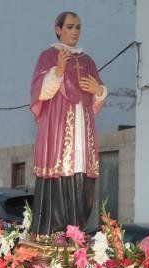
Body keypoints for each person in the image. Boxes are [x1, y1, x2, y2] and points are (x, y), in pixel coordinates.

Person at [29, 11, 108, 238]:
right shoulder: (48, 56)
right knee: (60, 173)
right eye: (71, 27)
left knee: (81, 175)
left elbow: (98, 92)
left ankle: (77, 229)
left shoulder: (88, 61)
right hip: (58, 127)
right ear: (58, 29)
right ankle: (54, 230)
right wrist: (58, 71)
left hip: (83, 128)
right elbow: (40, 93)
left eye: (78, 27)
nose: (75, 32)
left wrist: (99, 91)